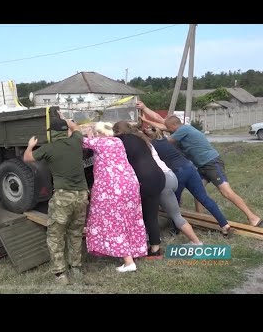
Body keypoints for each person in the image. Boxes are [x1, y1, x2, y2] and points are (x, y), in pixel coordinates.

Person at [137, 101, 262, 229]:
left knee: (226, 192)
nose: (166, 129)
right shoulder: (178, 128)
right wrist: (145, 110)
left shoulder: (184, 129)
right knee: (198, 192)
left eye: (168, 127)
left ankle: (252, 217)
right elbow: (162, 123)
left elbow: (163, 136)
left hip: (211, 163)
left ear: (174, 125)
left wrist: (146, 123)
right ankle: (200, 218)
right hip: (202, 166)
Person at [23, 112, 89, 285]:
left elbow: (27, 158)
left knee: (55, 235)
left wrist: (30, 146)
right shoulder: (76, 141)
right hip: (82, 196)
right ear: (65, 130)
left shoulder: (49, 148)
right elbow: (75, 128)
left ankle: (60, 274)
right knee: (75, 233)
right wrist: (65, 119)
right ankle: (76, 268)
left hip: (62, 198)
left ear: (51, 133)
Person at [143, 126, 232, 237]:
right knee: (204, 198)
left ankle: (176, 229)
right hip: (190, 169)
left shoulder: (151, 147)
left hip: (177, 173)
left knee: (173, 204)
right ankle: (224, 224)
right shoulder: (166, 141)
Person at [82, 122, 147, 272]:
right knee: (131, 218)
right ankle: (134, 250)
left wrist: (84, 132)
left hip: (111, 188)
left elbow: (79, 140)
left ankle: (128, 262)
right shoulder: (118, 141)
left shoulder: (99, 142)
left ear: (99, 133)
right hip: (130, 184)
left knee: (112, 221)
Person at [112, 121, 166, 258]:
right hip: (158, 176)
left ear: (117, 131)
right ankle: (155, 248)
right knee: (152, 214)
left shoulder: (119, 140)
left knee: (138, 214)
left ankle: (136, 245)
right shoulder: (139, 138)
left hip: (144, 179)